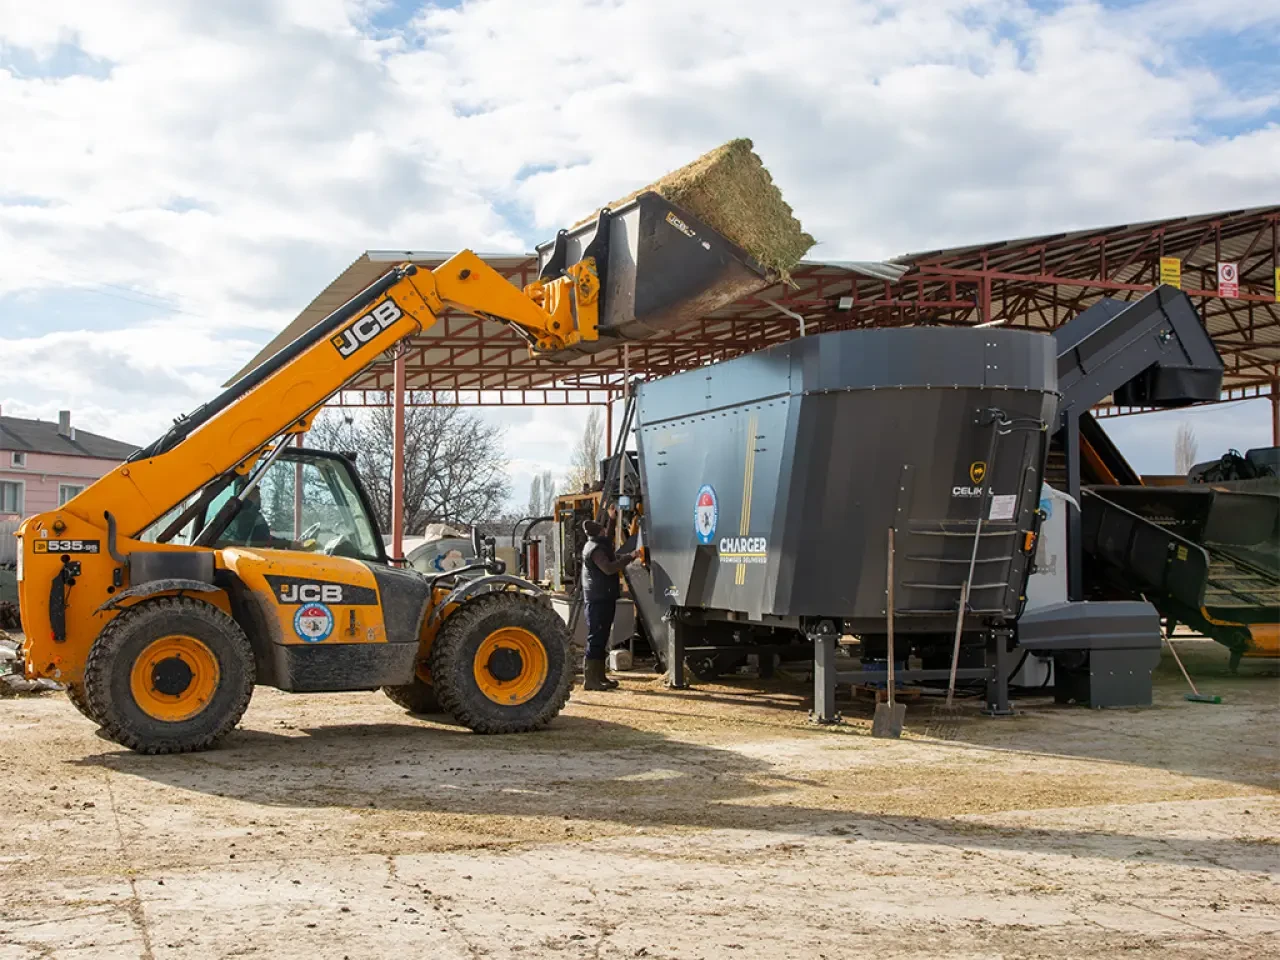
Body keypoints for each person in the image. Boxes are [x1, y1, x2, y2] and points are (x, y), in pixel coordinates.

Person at [580, 516, 635, 691]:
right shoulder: (596, 550)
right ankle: (590, 679)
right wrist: (629, 557)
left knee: (601, 637)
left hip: (602, 596)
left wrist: (612, 518)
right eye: (603, 529)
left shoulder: (596, 545)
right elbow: (609, 568)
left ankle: (599, 676)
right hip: (598, 599)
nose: (605, 531)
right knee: (596, 638)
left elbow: (608, 539)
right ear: (599, 532)